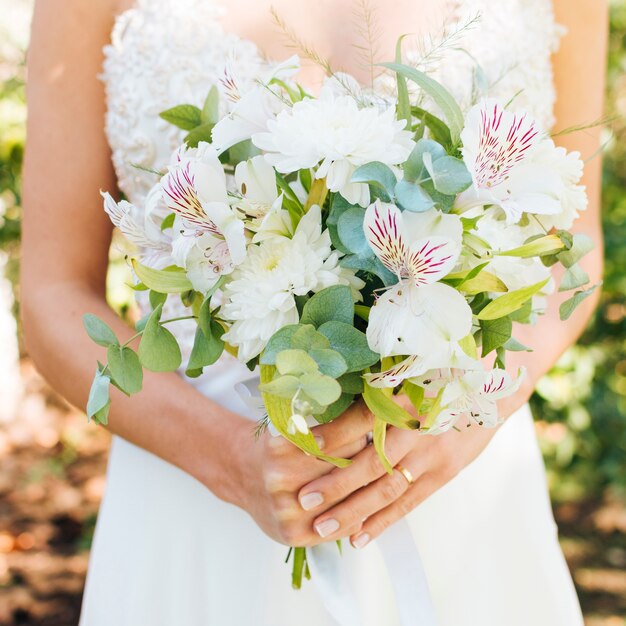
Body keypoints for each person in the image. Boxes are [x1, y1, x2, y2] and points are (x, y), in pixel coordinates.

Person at [21, 0, 606, 624]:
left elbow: (573, 256)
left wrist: (470, 416)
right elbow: (53, 294)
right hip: (194, 493)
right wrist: (230, 461)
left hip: (463, 490)